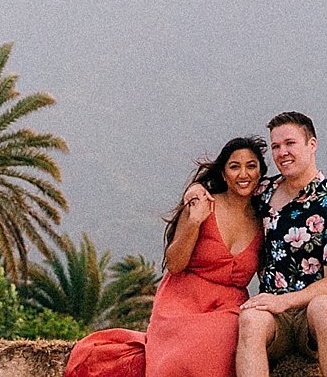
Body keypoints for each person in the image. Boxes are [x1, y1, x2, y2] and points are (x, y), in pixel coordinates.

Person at [65, 138, 268, 377]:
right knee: (178, 358)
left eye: (251, 166)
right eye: (234, 166)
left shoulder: (265, 218)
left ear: (261, 172)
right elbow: (174, 263)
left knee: (215, 343)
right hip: (181, 299)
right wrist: (194, 221)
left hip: (228, 306)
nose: (243, 173)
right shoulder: (202, 203)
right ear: (223, 173)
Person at [236, 112, 327, 377]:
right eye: (276, 146)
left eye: (290, 143)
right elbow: (224, 187)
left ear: (312, 144)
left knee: (325, 308)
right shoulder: (262, 192)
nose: (282, 153)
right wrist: (195, 191)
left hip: (313, 318)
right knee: (251, 320)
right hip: (273, 318)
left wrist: (286, 302)